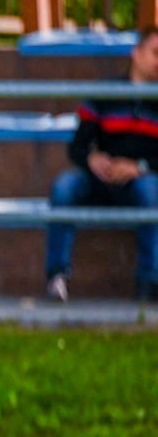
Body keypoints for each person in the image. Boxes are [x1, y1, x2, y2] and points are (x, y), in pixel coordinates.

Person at [46, 25, 158, 302]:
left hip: (142, 180)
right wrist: (93, 160)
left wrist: (139, 167)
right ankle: (56, 276)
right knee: (65, 186)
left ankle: (149, 281)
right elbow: (77, 145)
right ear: (137, 53)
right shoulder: (105, 93)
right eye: (156, 52)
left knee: (150, 190)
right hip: (100, 179)